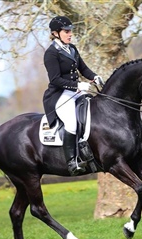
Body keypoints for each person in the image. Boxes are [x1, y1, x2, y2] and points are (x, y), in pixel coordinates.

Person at [43, 16, 103, 176]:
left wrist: (94, 76)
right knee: (71, 123)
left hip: (76, 92)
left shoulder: (72, 49)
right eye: (66, 32)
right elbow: (55, 80)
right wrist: (77, 85)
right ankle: (72, 161)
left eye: (71, 31)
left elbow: (83, 69)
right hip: (60, 95)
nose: (70, 34)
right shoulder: (51, 53)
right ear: (56, 33)